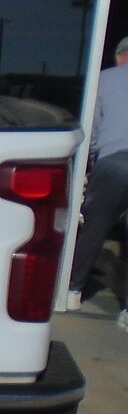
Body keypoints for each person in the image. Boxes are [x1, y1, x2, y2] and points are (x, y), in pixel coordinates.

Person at [66, 35, 128, 329]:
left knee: (95, 226)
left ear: (120, 57)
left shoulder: (105, 80)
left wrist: (88, 165)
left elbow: (91, 129)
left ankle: (73, 290)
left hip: (115, 163)